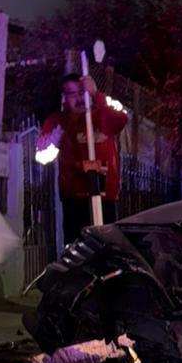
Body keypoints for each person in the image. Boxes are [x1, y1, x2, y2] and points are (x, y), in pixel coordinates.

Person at [37, 73, 129, 242]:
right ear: (63, 98)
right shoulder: (58, 121)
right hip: (75, 199)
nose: (78, 99)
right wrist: (78, 164)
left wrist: (96, 94)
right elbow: (43, 155)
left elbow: (122, 119)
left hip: (105, 198)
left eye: (81, 92)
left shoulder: (101, 115)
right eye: (72, 94)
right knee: (77, 250)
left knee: (106, 251)